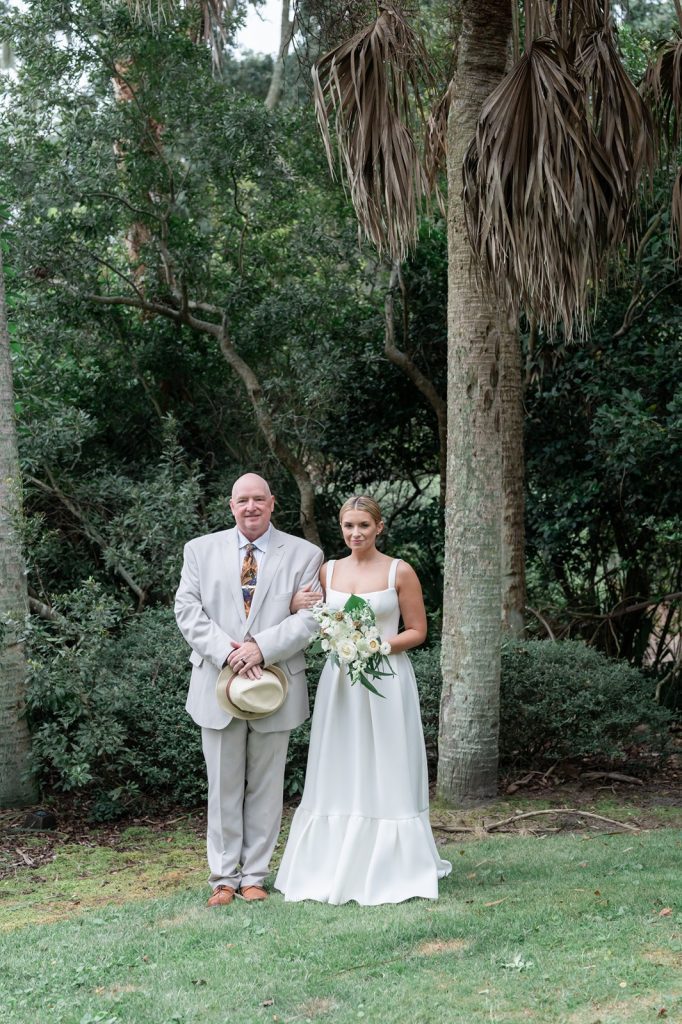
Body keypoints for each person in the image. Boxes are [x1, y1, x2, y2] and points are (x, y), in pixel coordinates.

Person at [275, 495, 451, 905]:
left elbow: (418, 630)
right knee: (341, 759)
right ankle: (331, 861)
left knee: (386, 760)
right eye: (349, 526)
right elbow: (311, 615)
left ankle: (395, 863)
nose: (356, 533)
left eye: (364, 526)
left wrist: (377, 645)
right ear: (341, 528)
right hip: (341, 682)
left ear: (379, 527)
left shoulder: (398, 571)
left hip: (386, 678)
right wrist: (296, 604)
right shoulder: (328, 570)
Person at [174, 473, 323, 906]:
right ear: (231, 505)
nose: (251, 507)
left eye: (259, 499)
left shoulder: (305, 554)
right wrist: (229, 653)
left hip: (275, 685)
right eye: (243, 500)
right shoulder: (199, 551)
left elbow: (311, 618)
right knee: (222, 786)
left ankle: (254, 875)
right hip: (217, 683)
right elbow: (187, 610)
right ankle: (223, 879)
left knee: (266, 785)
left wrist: (261, 648)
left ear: (272, 503)